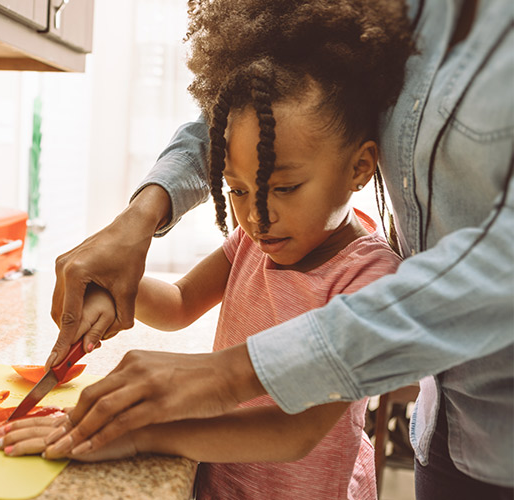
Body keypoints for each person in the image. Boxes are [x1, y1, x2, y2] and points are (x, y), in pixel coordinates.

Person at [42, 0, 514, 498]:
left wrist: (148, 434)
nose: (256, 215)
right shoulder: (256, 240)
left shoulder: (370, 275)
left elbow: (294, 432)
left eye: (284, 188)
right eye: (237, 190)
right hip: (226, 482)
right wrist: (117, 288)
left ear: (360, 168)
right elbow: (180, 304)